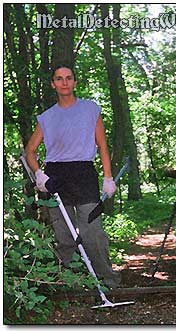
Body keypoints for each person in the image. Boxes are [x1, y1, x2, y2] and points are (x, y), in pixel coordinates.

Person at [25, 64, 121, 289]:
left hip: (84, 173)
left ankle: (108, 280)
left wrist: (108, 178)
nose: (64, 82)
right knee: (64, 235)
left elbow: (102, 144)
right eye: (59, 78)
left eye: (68, 78)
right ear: (53, 84)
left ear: (75, 82)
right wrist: (40, 175)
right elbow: (30, 151)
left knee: (92, 232)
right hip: (56, 177)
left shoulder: (90, 109)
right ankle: (74, 283)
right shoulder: (46, 117)